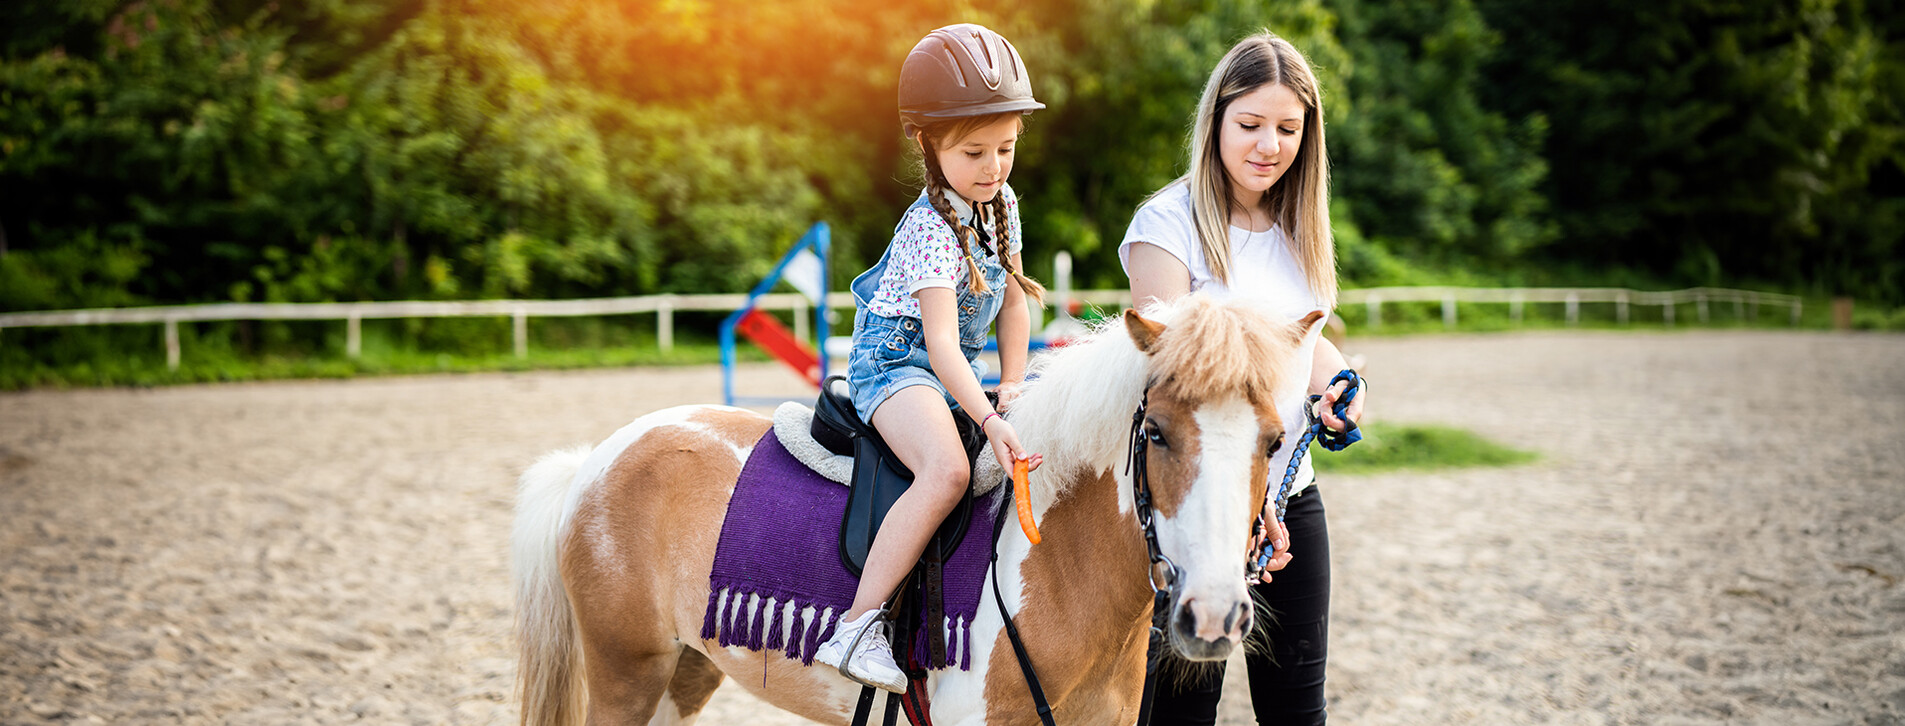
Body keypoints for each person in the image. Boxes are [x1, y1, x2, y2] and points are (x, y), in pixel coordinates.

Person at [1120, 31, 1367, 725]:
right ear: (1216, 121)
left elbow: (1307, 343)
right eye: (1250, 125)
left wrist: (1339, 386)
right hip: (1199, 506)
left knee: (1297, 713)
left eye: (1288, 129)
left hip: (1289, 497)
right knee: (1178, 715)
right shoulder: (1166, 226)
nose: (1268, 145)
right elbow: (1166, 380)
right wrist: (1240, 513)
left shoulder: (1301, 226)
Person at [812, 23, 1047, 694]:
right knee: (945, 471)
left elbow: (1011, 303)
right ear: (927, 143)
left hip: (949, 369)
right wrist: (988, 415)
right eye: (974, 152)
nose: (993, 166)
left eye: (1005, 149)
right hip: (894, 364)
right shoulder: (927, 228)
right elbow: (941, 343)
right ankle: (855, 629)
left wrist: (1011, 386)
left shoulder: (1001, 205)